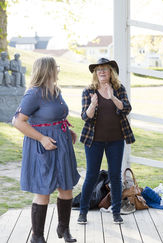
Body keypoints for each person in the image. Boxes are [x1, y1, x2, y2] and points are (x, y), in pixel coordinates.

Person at [13, 57, 80, 243]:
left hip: (62, 145)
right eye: (56, 67)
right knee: (43, 191)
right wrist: (42, 138)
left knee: (66, 188)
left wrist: (67, 130)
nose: (58, 70)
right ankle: (37, 236)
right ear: (48, 70)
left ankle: (63, 228)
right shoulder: (33, 94)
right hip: (43, 147)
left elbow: (55, 116)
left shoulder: (55, 91)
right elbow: (18, 121)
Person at [78, 58, 135, 225]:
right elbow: (84, 117)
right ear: (96, 73)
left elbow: (126, 108)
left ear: (111, 72)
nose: (102, 72)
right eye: (98, 69)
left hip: (116, 140)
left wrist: (113, 98)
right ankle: (83, 212)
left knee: (115, 175)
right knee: (91, 175)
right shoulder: (89, 91)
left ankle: (116, 212)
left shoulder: (118, 89)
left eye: (105, 69)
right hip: (94, 140)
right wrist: (93, 105)